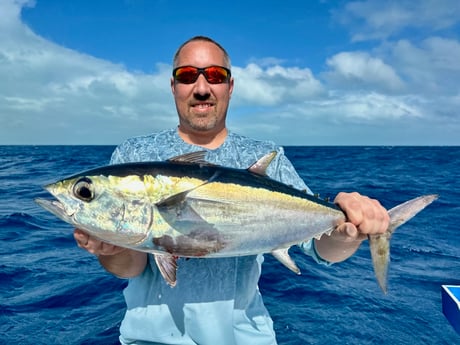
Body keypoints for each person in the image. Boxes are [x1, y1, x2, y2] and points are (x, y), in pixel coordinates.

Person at [74, 36, 389, 345]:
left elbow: (322, 251)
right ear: (173, 87)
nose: (201, 88)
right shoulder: (134, 154)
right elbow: (129, 268)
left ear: (230, 86)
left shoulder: (266, 156)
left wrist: (347, 233)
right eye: (187, 76)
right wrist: (110, 248)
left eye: (214, 75)